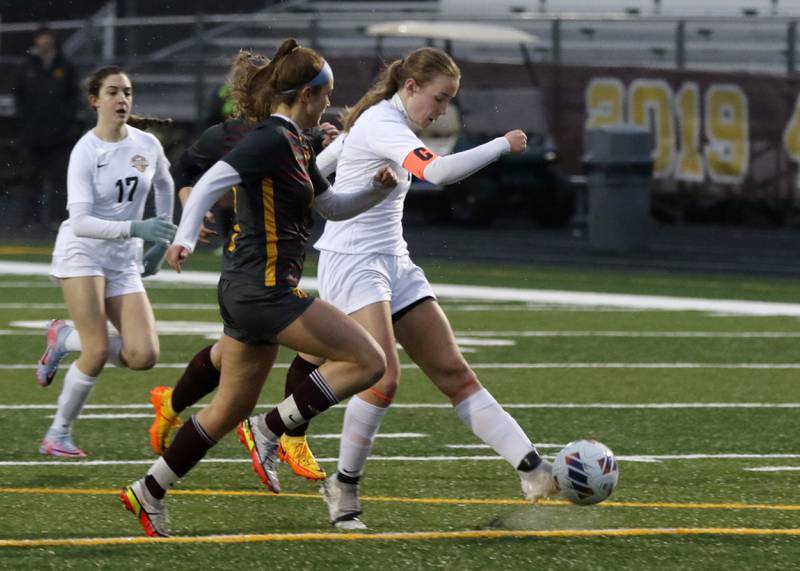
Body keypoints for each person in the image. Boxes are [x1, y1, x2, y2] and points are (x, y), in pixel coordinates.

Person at [241, 46, 558, 530]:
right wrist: (502, 144)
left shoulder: (380, 122)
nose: (442, 110)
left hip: (394, 260)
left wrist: (305, 171)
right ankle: (323, 471)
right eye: (439, 98)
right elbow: (439, 173)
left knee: (454, 373)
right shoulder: (383, 124)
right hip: (354, 262)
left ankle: (534, 471)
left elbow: (320, 166)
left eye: (450, 100)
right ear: (410, 87)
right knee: (382, 377)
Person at [119, 39, 399, 538]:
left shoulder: (296, 143)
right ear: (307, 94)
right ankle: (272, 429)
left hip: (250, 289)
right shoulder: (271, 139)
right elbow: (209, 182)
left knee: (228, 408)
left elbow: (330, 207)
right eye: (326, 95)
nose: (328, 106)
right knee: (371, 361)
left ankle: (148, 492)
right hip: (264, 291)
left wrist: (379, 189)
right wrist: (184, 236)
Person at [147, 50, 340, 483]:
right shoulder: (242, 136)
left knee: (229, 394)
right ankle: (276, 430)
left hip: (252, 275)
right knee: (363, 356)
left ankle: (151, 483)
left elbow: (315, 190)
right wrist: (188, 218)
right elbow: (192, 173)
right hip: (257, 277)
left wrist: (323, 147)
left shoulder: (291, 137)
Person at [34, 66, 177, 458]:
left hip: (122, 256)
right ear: (95, 100)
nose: (123, 99)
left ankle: (64, 338)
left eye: (128, 92)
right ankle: (57, 434)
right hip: (82, 251)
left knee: (143, 355)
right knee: (96, 351)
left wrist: (160, 237)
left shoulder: (146, 145)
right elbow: (80, 222)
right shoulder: (86, 151)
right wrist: (138, 227)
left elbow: (164, 184)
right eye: (113, 92)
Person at [14, 25, 82, 230]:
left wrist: (66, 123)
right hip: (32, 134)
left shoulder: (65, 66)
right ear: (36, 40)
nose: (44, 41)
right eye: (41, 38)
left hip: (59, 135)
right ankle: (30, 220)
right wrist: (24, 126)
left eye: (47, 37)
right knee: (30, 178)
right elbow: (19, 98)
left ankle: (57, 219)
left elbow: (74, 98)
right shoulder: (26, 66)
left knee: (59, 179)